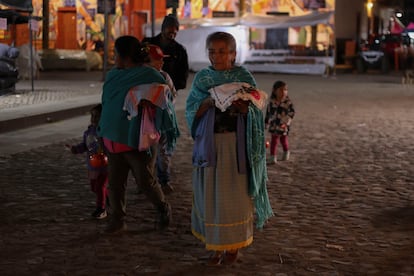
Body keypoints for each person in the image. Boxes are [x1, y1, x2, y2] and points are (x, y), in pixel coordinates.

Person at [185, 32, 273, 266]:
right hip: (210, 145)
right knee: (210, 197)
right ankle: (214, 246)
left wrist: (244, 107)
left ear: (233, 53)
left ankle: (233, 246)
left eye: (222, 51)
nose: (216, 56)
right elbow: (191, 108)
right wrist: (209, 102)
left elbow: (256, 109)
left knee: (235, 198)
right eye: (212, 51)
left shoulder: (243, 76)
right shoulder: (203, 78)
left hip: (236, 147)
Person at [97, 35, 175, 234]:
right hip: (113, 139)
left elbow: (165, 97)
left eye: (116, 53)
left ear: (124, 56)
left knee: (145, 181)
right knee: (115, 184)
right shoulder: (114, 75)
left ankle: (162, 208)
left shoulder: (149, 75)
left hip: (136, 139)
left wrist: (148, 100)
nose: (114, 57)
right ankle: (117, 219)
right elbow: (107, 103)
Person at [145, 43, 178, 194]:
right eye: (157, 59)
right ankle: (147, 180)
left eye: (161, 59)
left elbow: (173, 96)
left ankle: (163, 180)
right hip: (146, 123)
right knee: (147, 152)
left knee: (162, 151)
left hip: (161, 122)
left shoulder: (164, 76)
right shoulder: (159, 76)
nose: (162, 62)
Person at [66, 104, 108, 219]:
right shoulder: (88, 132)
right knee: (94, 188)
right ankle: (108, 197)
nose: (94, 118)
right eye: (92, 116)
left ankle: (101, 209)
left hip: (105, 166)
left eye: (97, 116)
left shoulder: (106, 132)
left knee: (100, 187)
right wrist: (75, 149)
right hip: (93, 165)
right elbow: (85, 145)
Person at [142, 14, 189, 91]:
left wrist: (170, 86)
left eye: (174, 33)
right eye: (169, 32)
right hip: (145, 87)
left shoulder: (180, 51)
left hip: (167, 91)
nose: (172, 35)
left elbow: (183, 76)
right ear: (163, 29)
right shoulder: (148, 44)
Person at [264, 80, 295, 164]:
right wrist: (266, 122)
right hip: (274, 125)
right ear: (275, 91)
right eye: (281, 90)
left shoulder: (288, 102)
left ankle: (286, 152)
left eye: (285, 90)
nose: (283, 92)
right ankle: (273, 157)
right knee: (274, 140)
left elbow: (292, 113)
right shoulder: (271, 102)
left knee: (283, 140)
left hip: (283, 125)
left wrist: (286, 122)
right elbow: (268, 113)